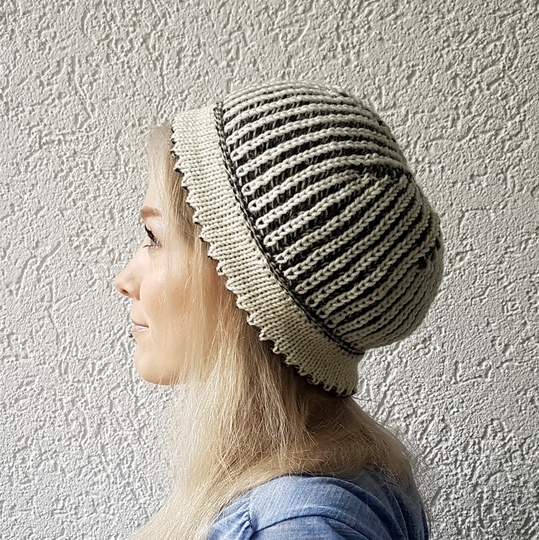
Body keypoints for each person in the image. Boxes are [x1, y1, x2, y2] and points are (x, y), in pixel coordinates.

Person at [114, 82, 443, 539]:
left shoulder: (299, 523)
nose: (124, 280)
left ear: (241, 282)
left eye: (155, 238)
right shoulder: (321, 484)